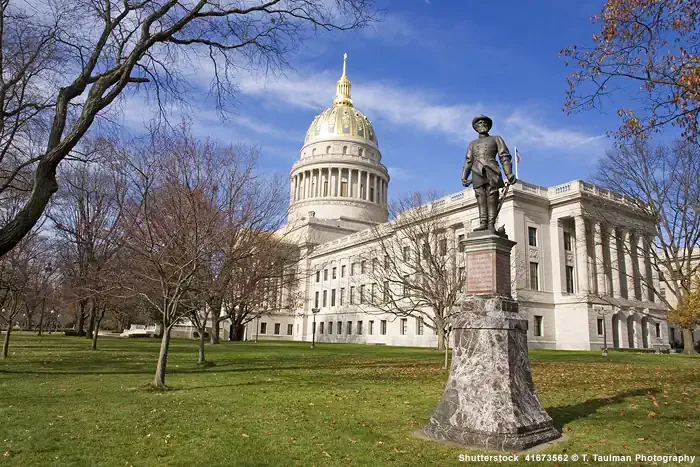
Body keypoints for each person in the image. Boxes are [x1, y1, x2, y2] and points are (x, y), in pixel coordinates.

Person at [461, 115, 516, 231]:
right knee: (480, 197)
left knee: (492, 196)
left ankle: (491, 224)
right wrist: (464, 177)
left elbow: (504, 156)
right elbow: (468, 161)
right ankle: (483, 222)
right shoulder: (472, 144)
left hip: (492, 169)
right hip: (477, 171)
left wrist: (509, 173)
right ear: (476, 127)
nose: (482, 125)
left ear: (489, 126)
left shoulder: (496, 139)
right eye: (479, 123)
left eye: (484, 123)